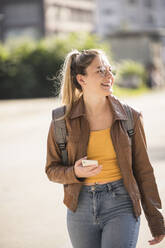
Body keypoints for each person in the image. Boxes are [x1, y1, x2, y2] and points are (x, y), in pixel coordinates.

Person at [45, 49, 165, 248]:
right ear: (81, 79)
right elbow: (51, 169)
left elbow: (144, 171)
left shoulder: (130, 117)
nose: (110, 76)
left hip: (121, 203)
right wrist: (75, 171)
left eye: (110, 70)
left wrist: (156, 219)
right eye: (100, 71)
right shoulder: (61, 121)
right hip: (79, 206)